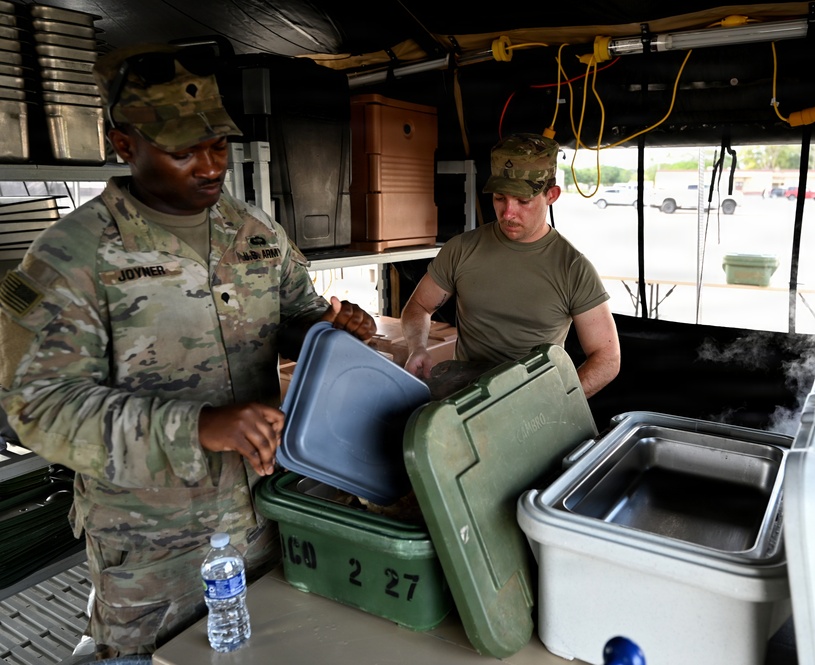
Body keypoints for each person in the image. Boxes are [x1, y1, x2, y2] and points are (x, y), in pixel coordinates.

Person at [0, 43, 375, 659]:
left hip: (265, 512)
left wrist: (331, 330)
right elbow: (39, 408)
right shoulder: (70, 257)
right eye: (183, 151)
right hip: (154, 545)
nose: (209, 166)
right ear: (125, 145)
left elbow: (294, 316)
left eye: (219, 145)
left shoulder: (252, 230)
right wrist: (197, 427)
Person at [401, 133, 620, 398]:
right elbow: (419, 306)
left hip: (535, 398)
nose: (508, 213)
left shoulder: (573, 268)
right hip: (469, 397)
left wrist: (560, 400)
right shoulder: (461, 249)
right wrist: (417, 347)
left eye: (523, 201)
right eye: (499, 198)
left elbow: (607, 356)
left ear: (551, 195)